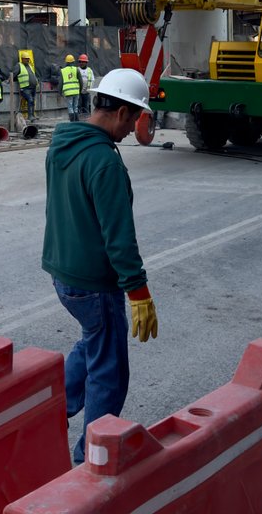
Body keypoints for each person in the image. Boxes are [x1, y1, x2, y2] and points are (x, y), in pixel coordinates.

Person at [42, 68, 158, 465]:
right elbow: (119, 238)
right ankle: (90, 461)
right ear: (122, 112)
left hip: (64, 275)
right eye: (134, 118)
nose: (132, 129)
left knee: (95, 340)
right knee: (109, 372)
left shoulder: (64, 143)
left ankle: (47, 411)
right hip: (94, 282)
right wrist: (138, 291)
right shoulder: (104, 161)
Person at [16, 53, 38, 122]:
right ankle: (30, 116)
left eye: (28, 59)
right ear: (22, 59)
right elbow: (13, 73)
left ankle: (32, 115)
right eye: (26, 59)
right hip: (25, 87)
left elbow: (33, 74)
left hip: (33, 87)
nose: (27, 60)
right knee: (30, 100)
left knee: (32, 101)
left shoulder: (30, 66)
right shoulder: (19, 66)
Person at [59, 54, 81, 121]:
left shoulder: (63, 70)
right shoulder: (76, 69)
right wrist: (79, 90)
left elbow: (61, 82)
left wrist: (60, 92)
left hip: (68, 92)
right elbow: (81, 81)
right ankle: (77, 121)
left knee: (70, 107)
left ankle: (72, 122)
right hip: (76, 91)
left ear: (66, 62)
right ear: (73, 62)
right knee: (75, 107)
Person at [77, 53, 95, 118]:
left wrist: (90, 90)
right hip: (78, 92)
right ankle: (79, 118)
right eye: (80, 62)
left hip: (87, 92)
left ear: (86, 63)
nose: (81, 63)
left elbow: (92, 80)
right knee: (79, 105)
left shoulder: (89, 70)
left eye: (83, 62)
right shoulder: (77, 70)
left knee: (86, 106)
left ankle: (86, 119)